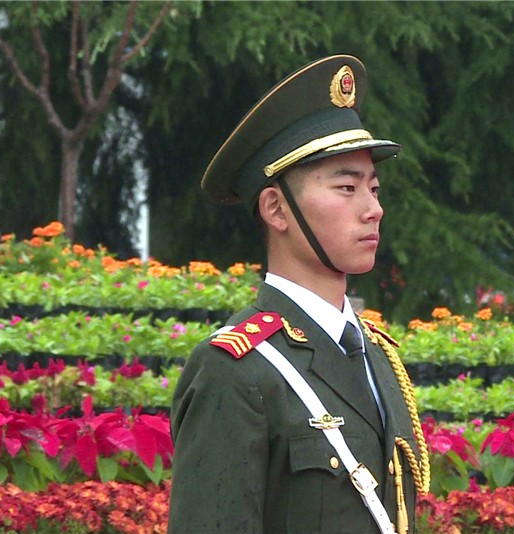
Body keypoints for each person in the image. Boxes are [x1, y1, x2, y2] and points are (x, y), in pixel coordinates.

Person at [168, 55, 430, 534]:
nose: (373, 209)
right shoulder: (236, 370)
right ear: (276, 209)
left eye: (373, 188)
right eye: (347, 187)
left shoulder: (376, 355)